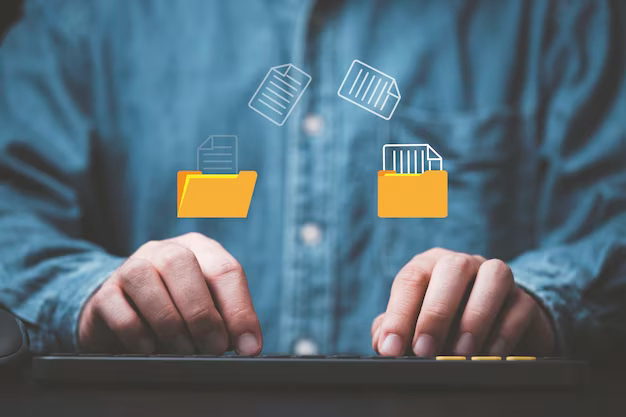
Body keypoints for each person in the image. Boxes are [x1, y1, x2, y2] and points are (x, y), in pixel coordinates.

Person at [0, 0, 624, 358]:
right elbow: (12, 209)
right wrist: (87, 295)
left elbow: (610, 220)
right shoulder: (85, 17)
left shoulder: (556, 17)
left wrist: (540, 300)